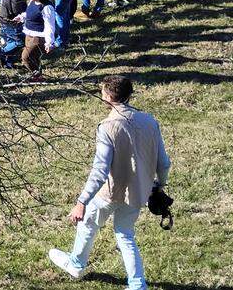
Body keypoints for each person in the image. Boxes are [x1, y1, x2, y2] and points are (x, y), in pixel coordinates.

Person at [47, 76, 170, 290]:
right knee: (125, 234)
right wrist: (159, 185)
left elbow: (100, 170)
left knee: (87, 225)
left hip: (109, 193)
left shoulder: (107, 127)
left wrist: (81, 201)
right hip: (138, 192)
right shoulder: (150, 121)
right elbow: (164, 162)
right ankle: (137, 284)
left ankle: (76, 264)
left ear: (108, 96)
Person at [15, 0, 56, 79]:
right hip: (28, 34)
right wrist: (21, 17)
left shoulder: (47, 7)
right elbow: (30, 13)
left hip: (38, 37)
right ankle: (38, 76)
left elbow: (50, 26)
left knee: (25, 57)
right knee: (34, 58)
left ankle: (36, 75)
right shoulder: (32, 2)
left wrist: (49, 43)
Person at [0, 0, 28, 69]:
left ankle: (7, 61)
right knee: (19, 42)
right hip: (11, 22)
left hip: (7, 20)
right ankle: (1, 53)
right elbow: (17, 11)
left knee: (11, 42)